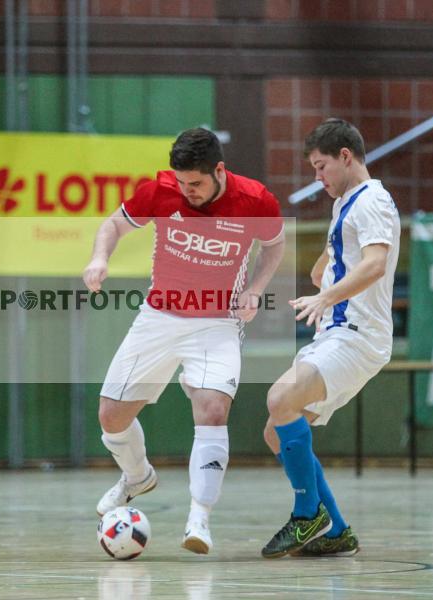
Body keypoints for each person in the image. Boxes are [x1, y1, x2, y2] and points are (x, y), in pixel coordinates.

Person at [83, 128, 285, 555]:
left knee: (212, 408)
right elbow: (113, 225)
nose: (187, 192)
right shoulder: (161, 190)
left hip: (217, 321)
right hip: (159, 316)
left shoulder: (256, 201)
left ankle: (200, 518)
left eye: (196, 183)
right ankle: (137, 477)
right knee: (111, 416)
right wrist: (100, 257)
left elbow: (274, 247)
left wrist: (256, 288)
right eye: (182, 183)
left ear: (219, 170)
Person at [260, 118, 400, 558]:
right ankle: (336, 529)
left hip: (358, 335)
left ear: (345, 156)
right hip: (338, 332)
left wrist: (327, 296)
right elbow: (340, 258)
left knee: (280, 398)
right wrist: (326, 270)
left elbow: (376, 263)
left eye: (321, 167)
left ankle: (307, 514)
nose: (317, 178)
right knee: (276, 432)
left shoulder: (372, 201)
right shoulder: (347, 204)